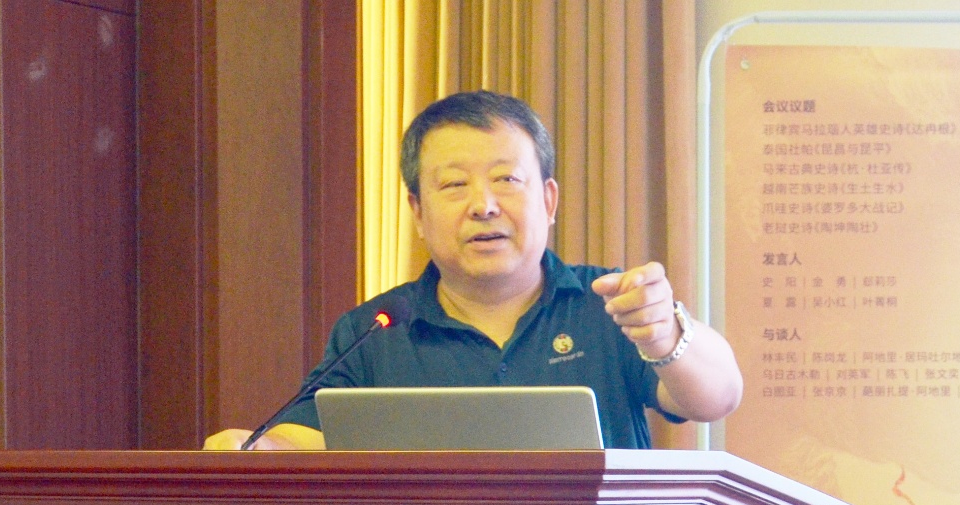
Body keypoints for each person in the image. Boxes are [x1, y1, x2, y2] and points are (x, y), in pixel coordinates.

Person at [205, 90, 742, 450]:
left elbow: (718, 397)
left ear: (548, 201)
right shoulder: (374, 331)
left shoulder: (610, 306)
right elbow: (302, 438)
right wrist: (254, 447)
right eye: (454, 185)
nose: (483, 206)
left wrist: (666, 334)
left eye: (506, 180)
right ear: (418, 211)